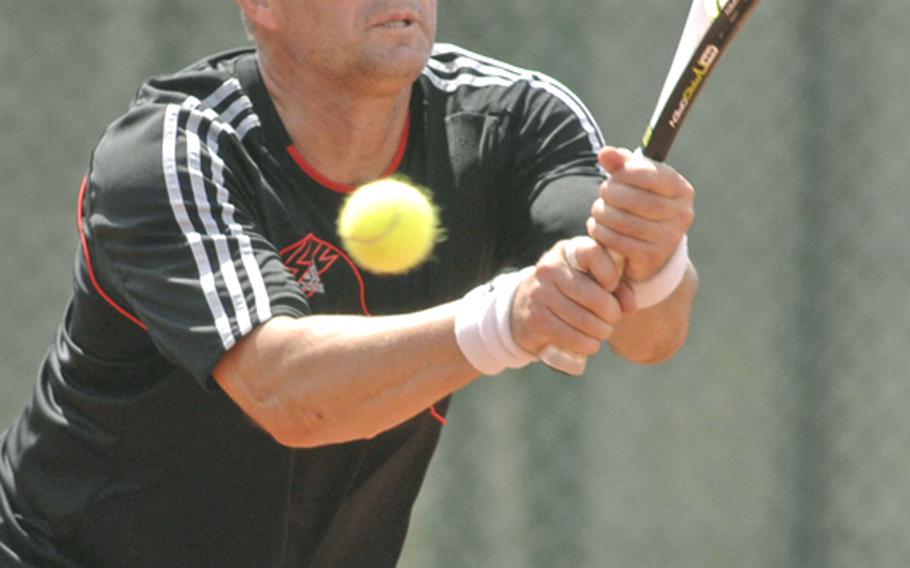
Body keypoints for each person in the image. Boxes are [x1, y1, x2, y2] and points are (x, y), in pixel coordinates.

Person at [0, 0, 698, 566]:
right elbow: (285, 394)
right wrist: (506, 319)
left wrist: (655, 254)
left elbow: (651, 334)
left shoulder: (516, 119)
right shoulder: (172, 151)